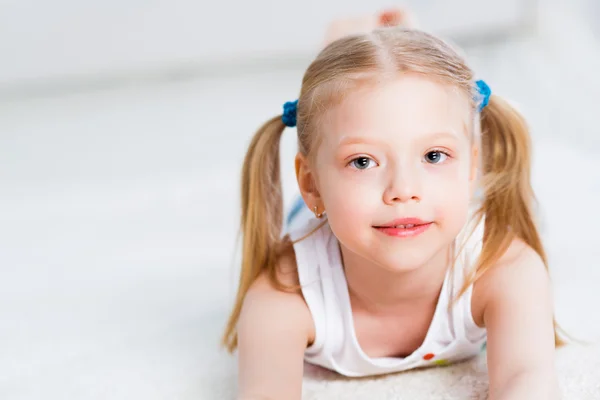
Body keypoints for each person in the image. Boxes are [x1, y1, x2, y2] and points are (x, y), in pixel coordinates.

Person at [222, 14, 564, 400]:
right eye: (363, 161)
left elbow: (528, 378)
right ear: (310, 183)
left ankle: (399, 37)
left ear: (471, 167)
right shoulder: (285, 293)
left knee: (402, 99)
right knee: (353, 106)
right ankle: (355, 40)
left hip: (431, 210)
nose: (403, 191)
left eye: (434, 155)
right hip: (322, 216)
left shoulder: (503, 266)